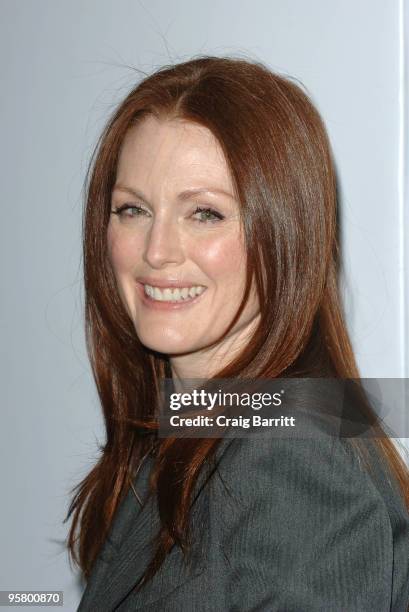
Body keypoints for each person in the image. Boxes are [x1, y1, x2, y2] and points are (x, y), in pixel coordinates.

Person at [66, 56, 409, 611]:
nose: (157, 251)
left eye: (204, 213)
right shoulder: (191, 428)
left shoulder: (290, 458)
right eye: (132, 209)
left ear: (286, 233)